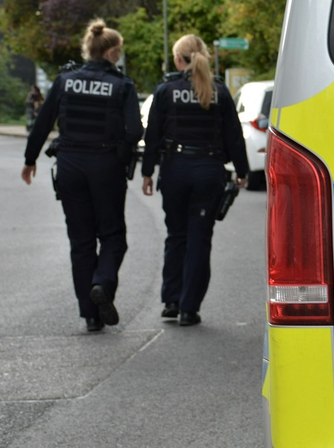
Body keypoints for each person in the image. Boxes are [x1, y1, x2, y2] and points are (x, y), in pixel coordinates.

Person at [22, 19, 143, 332]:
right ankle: (102, 283)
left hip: (70, 166)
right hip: (105, 167)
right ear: (113, 51)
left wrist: (30, 159)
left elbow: (43, 120)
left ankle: (90, 315)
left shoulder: (65, 80)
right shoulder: (122, 85)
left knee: (81, 241)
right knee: (113, 236)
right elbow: (134, 131)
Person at [141, 34, 249, 326]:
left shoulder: (166, 91)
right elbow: (234, 135)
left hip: (175, 170)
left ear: (178, 59)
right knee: (200, 240)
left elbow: (152, 135)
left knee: (176, 236)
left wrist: (147, 171)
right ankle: (190, 308)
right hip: (208, 172)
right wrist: (242, 170)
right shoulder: (219, 92)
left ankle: (171, 301)